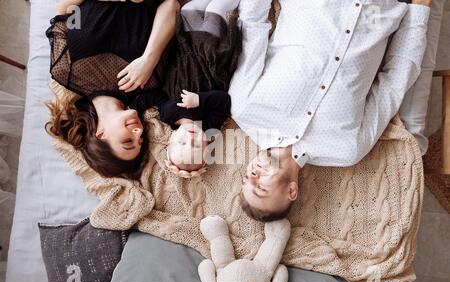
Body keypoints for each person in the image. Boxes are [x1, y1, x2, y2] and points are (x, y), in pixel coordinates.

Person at [229, 0, 432, 221]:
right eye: (260, 188)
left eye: (246, 180)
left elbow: (251, 24)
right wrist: (420, 11)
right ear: (291, 191)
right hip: (378, 9)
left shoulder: (245, 109)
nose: (252, 175)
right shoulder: (346, 150)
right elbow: (393, 83)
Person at [46, 0, 179, 179]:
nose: (139, 132)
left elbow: (67, 10)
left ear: (101, 135)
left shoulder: (66, 72)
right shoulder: (148, 85)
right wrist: (149, 59)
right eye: (140, 140)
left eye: (128, 141)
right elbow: (171, 5)